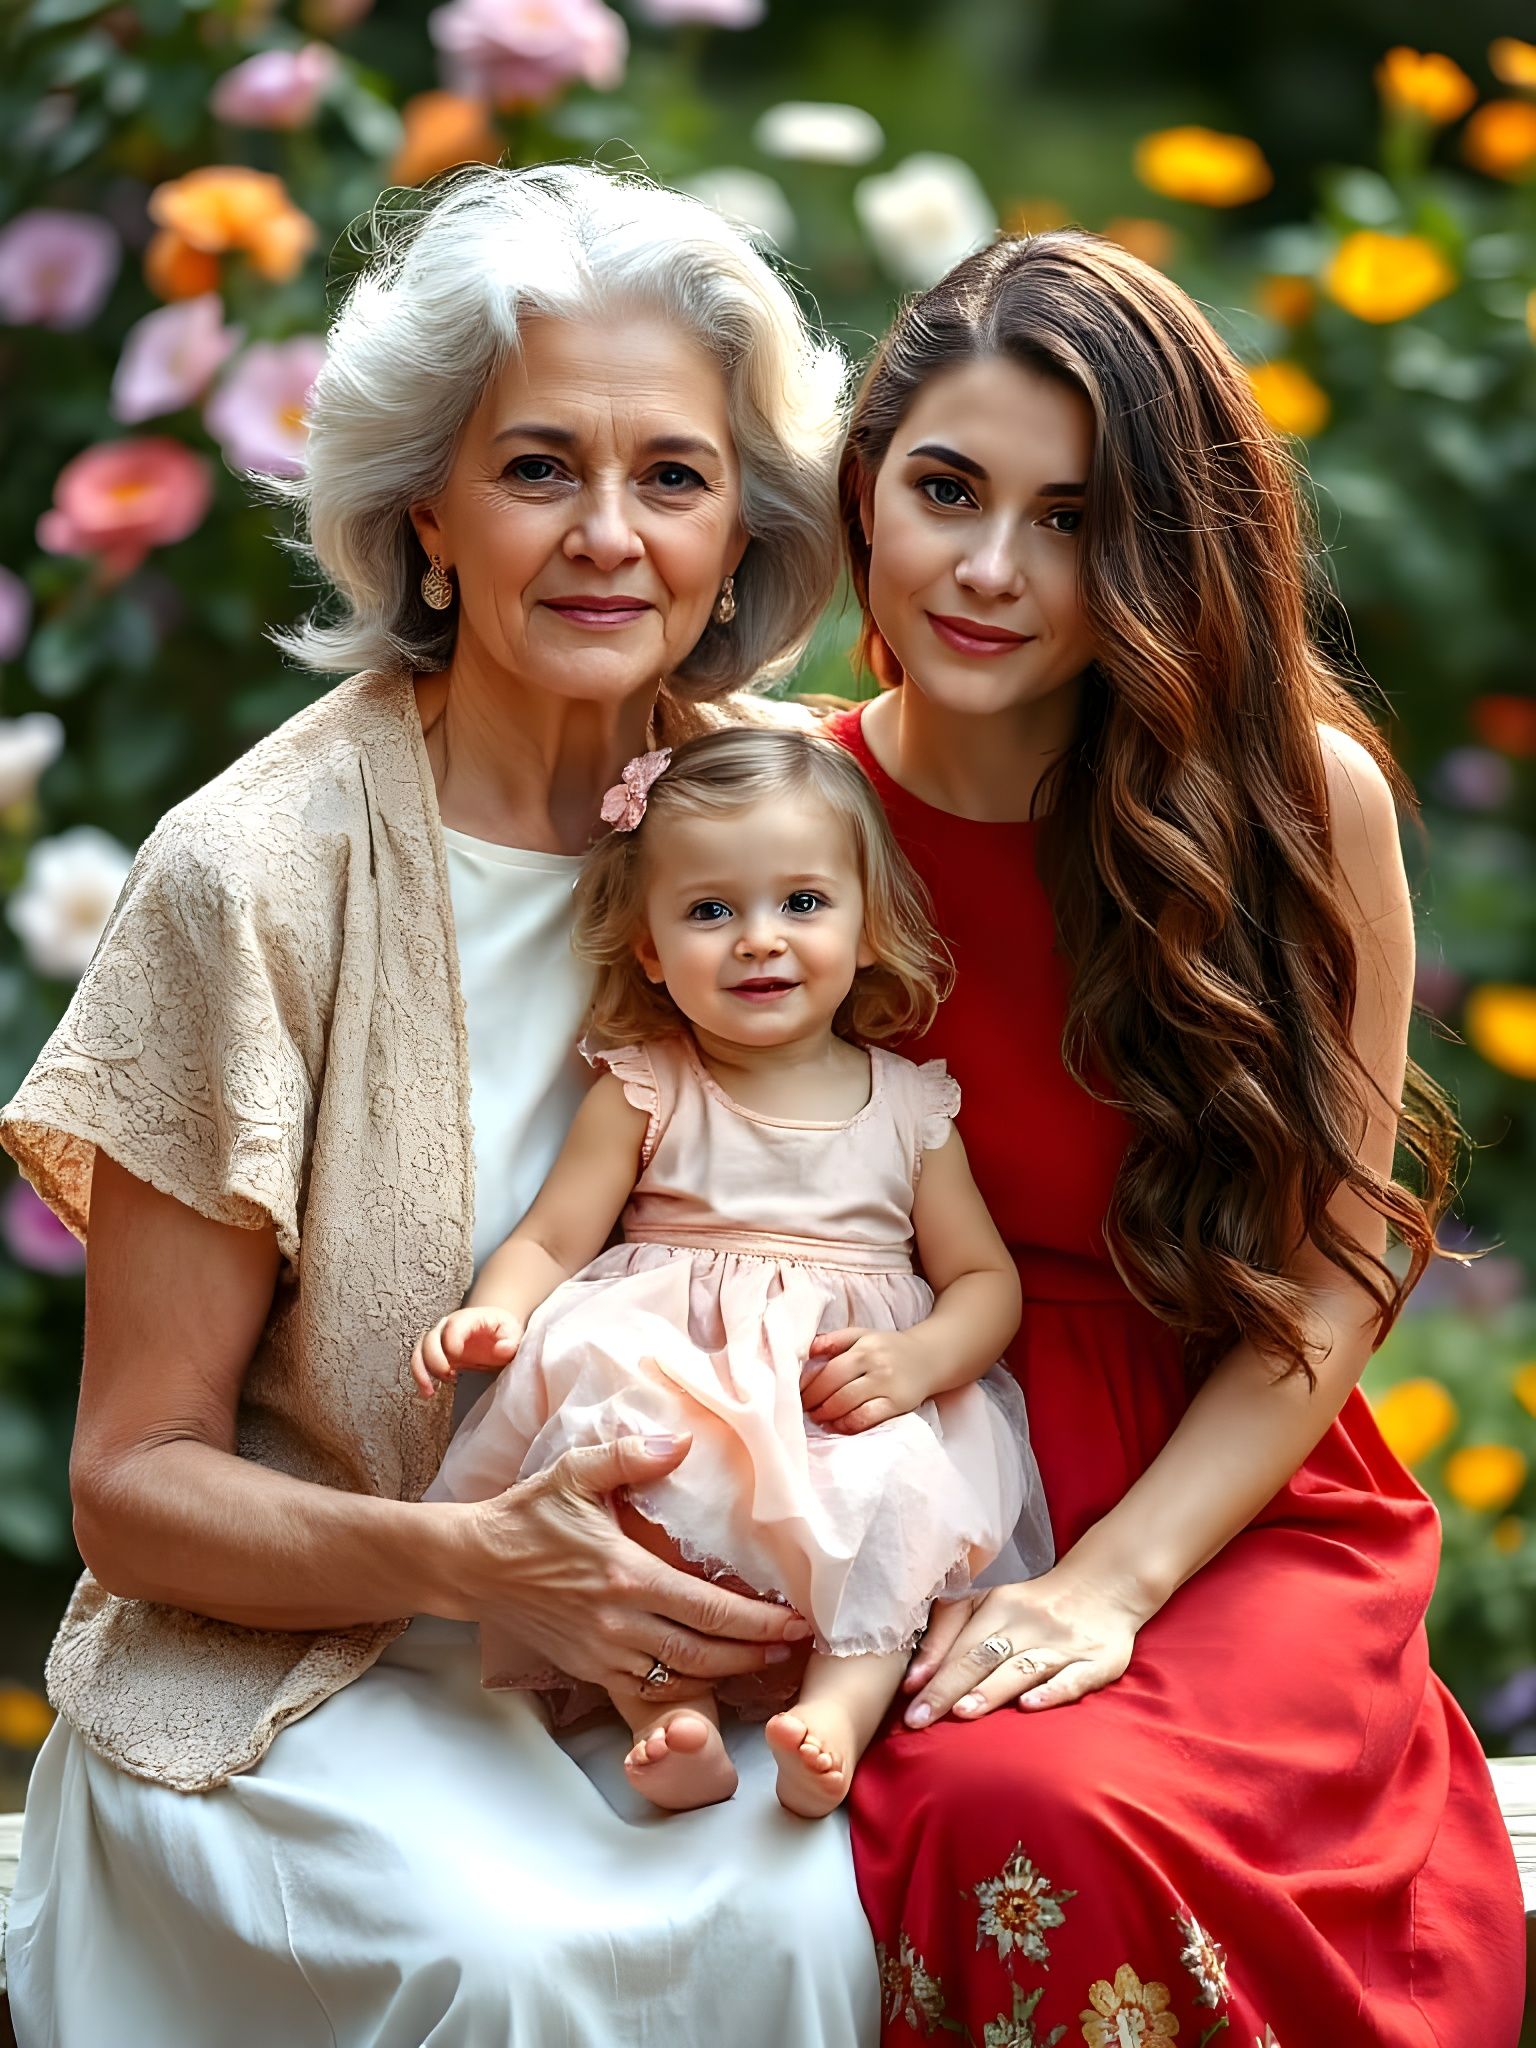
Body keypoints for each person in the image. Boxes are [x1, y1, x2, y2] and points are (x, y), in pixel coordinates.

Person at [0, 163, 884, 2045]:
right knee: (513, 1976)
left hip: (676, 1696)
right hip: (315, 1682)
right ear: (426, 514)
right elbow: (131, 1484)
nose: (609, 536)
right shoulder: (248, 875)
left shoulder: (797, 833)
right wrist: (472, 1564)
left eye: (673, 475)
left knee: (824, 1924)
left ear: (740, 536)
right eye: (539, 466)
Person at [825, 230, 1527, 2046]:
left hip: (1224, 1487)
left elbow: (1342, 1250)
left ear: (1156, 549)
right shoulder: (771, 822)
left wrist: (1115, 1576)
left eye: (1069, 518)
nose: (990, 569)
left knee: (1026, 1807)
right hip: (877, 1469)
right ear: (863, 492)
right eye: (947, 491)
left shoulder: (1293, 801)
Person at [414, 726, 1052, 1817]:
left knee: (897, 1506)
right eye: (711, 910)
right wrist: (494, 1312)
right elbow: (555, 1236)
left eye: (803, 902)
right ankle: (667, 1703)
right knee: (622, 1486)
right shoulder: (648, 1084)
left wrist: (916, 1360)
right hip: (688, 1383)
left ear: (865, 923)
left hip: (836, 1405)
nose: (760, 940)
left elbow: (986, 1279)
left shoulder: (910, 1105)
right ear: (652, 948)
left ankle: (838, 1715)